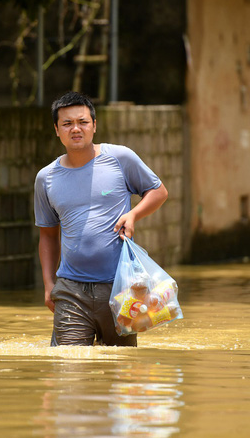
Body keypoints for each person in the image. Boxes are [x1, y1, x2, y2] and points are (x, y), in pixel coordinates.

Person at [34, 91, 168, 346]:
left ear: (94, 126)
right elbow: (48, 235)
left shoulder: (120, 158)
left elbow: (159, 192)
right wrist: (48, 284)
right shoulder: (46, 178)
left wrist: (133, 213)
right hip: (71, 291)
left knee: (121, 372)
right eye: (67, 123)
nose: (76, 129)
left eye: (83, 122)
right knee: (68, 367)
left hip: (120, 289)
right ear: (56, 130)